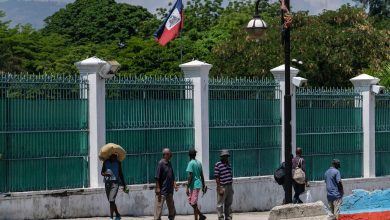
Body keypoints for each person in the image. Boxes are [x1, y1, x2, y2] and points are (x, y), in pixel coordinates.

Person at [101, 153, 128, 220]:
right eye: (114, 157)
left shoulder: (118, 163)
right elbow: (102, 172)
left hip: (115, 183)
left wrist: (124, 185)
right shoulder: (105, 162)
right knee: (111, 201)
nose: (115, 158)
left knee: (112, 199)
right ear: (110, 156)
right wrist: (106, 174)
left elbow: (121, 174)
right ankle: (118, 214)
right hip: (107, 183)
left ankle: (111, 217)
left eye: (116, 157)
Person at [154, 148, 179, 220]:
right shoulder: (161, 163)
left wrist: (175, 185)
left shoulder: (169, 163)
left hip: (169, 191)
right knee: (158, 210)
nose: (170, 155)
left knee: (172, 209)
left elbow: (172, 176)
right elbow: (157, 177)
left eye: (170, 153)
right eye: (169, 154)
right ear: (164, 155)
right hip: (162, 191)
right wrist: (158, 188)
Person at [186, 148, 207, 220]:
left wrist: (187, 187)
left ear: (189, 155)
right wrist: (204, 185)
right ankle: (201, 215)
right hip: (196, 184)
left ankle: (197, 218)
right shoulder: (199, 163)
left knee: (193, 203)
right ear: (195, 155)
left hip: (194, 185)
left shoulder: (191, 163)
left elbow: (190, 176)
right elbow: (202, 175)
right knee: (191, 202)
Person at [214, 149, 234, 220]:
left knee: (229, 203)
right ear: (221, 157)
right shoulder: (218, 164)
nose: (226, 157)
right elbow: (217, 177)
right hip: (222, 186)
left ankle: (228, 217)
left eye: (227, 156)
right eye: (224, 156)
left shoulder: (229, 164)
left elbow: (230, 175)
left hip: (229, 186)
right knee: (220, 204)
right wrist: (219, 188)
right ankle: (221, 217)